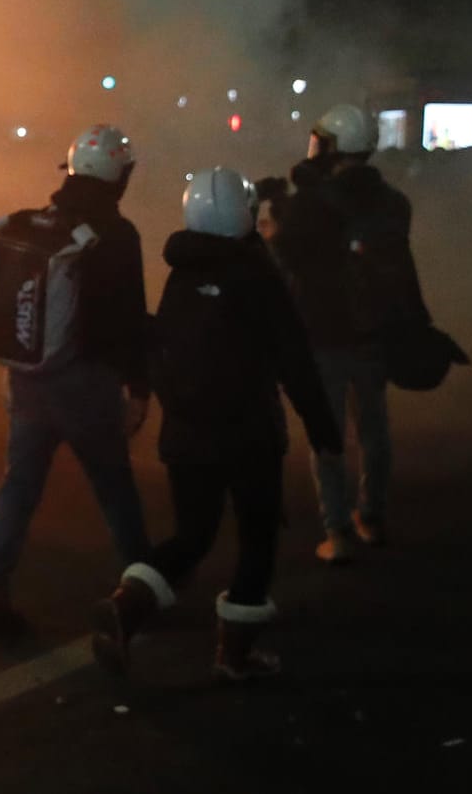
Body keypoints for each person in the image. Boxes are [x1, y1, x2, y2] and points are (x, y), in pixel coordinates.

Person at [90, 168, 342, 682]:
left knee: (192, 535)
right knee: (256, 538)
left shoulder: (181, 274)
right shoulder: (259, 275)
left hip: (187, 435)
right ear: (246, 215)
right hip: (248, 434)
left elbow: (163, 350)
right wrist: (322, 429)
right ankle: (235, 654)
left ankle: (128, 605)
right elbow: (294, 360)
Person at [0, 124, 153, 636]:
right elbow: (129, 321)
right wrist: (139, 388)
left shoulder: (36, 223)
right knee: (115, 487)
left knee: (19, 486)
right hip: (87, 384)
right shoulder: (116, 236)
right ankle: (141, 592)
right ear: (120, 176)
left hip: (27, 378)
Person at [268, 103, 424, 563]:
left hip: (323, 334)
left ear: (329, 144)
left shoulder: (310, 203)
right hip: (375, 332)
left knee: (328, 435)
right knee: (375, 431)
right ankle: (371, 516)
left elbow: (282, 259)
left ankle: (336, 530)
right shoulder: (395, 203)